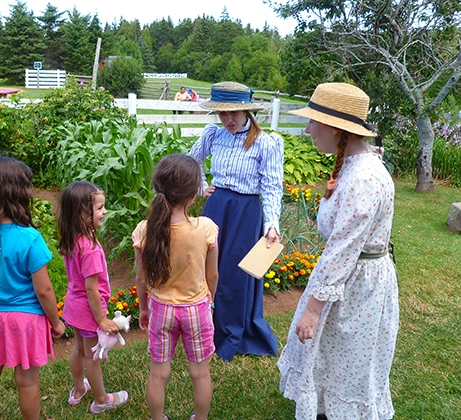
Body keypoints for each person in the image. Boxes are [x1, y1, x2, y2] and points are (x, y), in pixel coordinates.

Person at [277, 82, 398, 419]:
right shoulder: (353, 165)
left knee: (348, 354)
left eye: (313, 121)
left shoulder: (364, 179)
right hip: (347, 276)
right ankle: (326, 407)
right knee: (333, 354)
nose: (307, 128)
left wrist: (313, 309)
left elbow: (343, 251)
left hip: (356, 286)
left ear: (333, 127)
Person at [0, 155, 66, 420]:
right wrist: (56, 322)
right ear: (14, 193)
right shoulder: (29, 237)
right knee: (27, 382)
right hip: (27, 320)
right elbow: (44, 291)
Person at [188, 81, 284, 361]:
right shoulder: (213, 135)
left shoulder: (266, 143)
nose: (228, 119)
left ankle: (230, 334)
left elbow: (272, 186)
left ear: (247, 112)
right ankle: (202, 327)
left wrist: (272, 223)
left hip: (246, 212)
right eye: (222, 113)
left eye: (234, 113)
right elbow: (190, 161)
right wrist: (200, 187)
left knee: (234, 275)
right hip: (217, 207)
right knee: (206, 267)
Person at [133, 154, 219, 420]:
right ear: (194, 193)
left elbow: (141, 278)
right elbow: (212, 274)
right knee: (200, 373)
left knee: (158, 373)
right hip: (196, 310)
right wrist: (210, 304)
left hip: (161, 309)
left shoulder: (144, 230)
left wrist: (144, 309)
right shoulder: (206, 228)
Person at [56, 181, 129, 415]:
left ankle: (79, 390)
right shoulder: (90, 248)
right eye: (99, 208)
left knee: (78, 349)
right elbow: (92, 290)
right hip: (88, 310)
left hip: (73, 307)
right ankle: (100, 398)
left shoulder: (73, 240)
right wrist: (101, 320)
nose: (104, 211)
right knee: (93, 357)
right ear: (82, 214)